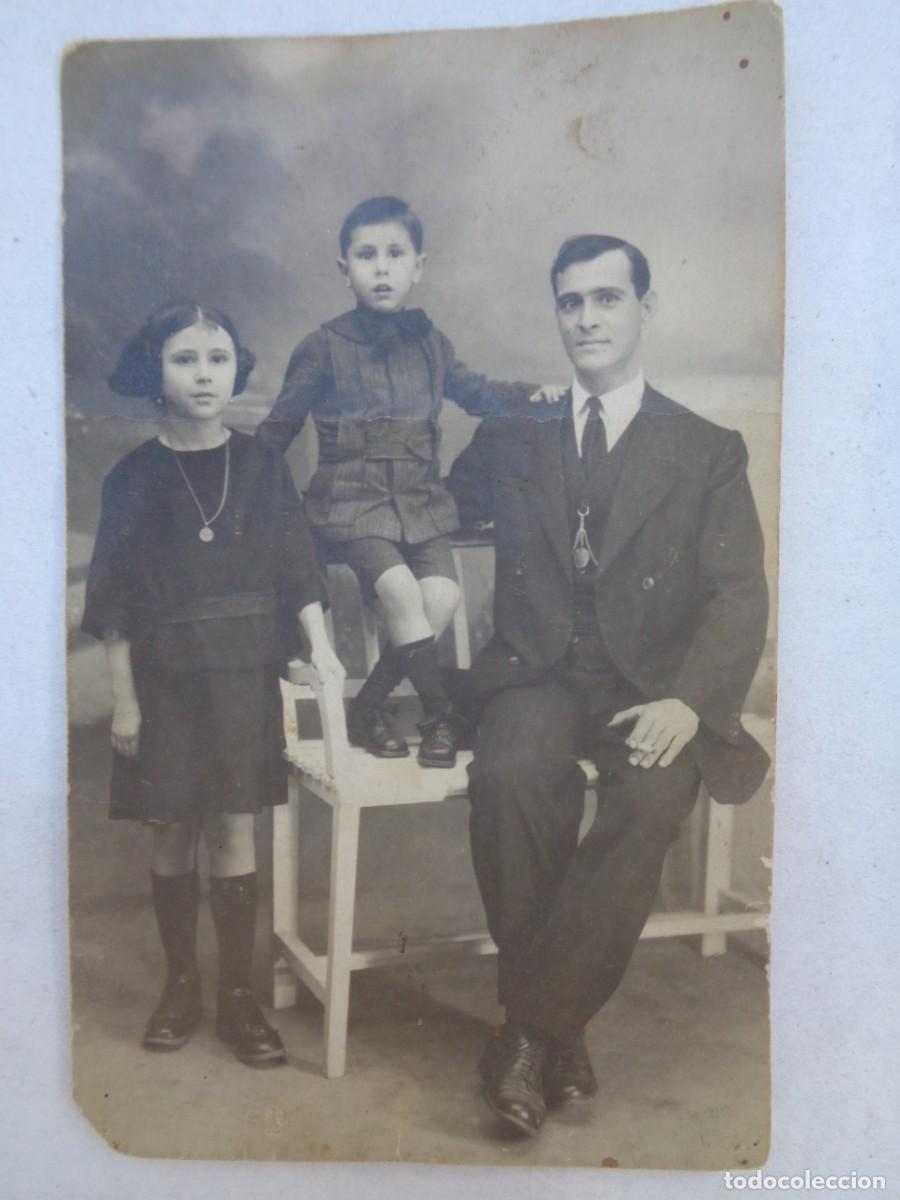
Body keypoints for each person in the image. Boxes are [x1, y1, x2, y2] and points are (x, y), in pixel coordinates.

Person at [447, 235, 770, 1137]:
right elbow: (426, 509)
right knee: (509, 778)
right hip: (538, 674)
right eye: (569, 302)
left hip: (653, 687)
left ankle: (529, 1033)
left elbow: (739, 593)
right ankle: (560, 1028)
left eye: (606, 299)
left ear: (645, 309)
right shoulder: (514, 435)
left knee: (654, 799)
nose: (586, 318)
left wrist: (689, 702)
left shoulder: (705, 448)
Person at [82, 302, 345, 1067]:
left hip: (239, 677)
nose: (204, 375)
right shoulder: (132, 477)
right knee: (172, 828)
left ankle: (238, 998)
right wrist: (125, 700)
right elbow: (115, 601)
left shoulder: (261, 464)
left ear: (237, 369)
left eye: (219, 359)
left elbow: (298, 567)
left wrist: (321, 651)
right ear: (156, 372)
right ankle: (180, 985)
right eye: (186, 359)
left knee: (234, 828)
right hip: (163, 684)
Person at [256, 195, 552, 769]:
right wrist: (258, 496)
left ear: (419, 265)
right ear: (345, 270)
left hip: (419, 505)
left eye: (396, 254)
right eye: (367, 255)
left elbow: (479, 393)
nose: (382, 267)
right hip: (351, 505)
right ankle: (443, 714)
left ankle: (368, 706)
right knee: (397, 589)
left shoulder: (432, 345)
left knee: (442, 594)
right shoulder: (322, 348)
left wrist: (529, 394)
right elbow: (277, 431)